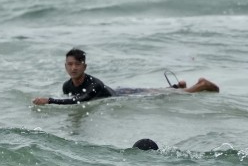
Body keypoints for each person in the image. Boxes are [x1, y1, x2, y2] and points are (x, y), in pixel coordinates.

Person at [32, 48, 219, 105]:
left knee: (162, 96)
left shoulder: (94, 84)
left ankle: (201, 86)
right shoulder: (67, 86)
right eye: (70, 64)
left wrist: (49, 101)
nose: (73, 68)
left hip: (121, 95)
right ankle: (178, 86)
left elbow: (82, 100)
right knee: (161, 91)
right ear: (65, 66)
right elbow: (72, 98)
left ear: (85, 66)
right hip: (118, 90)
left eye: (77, 64)